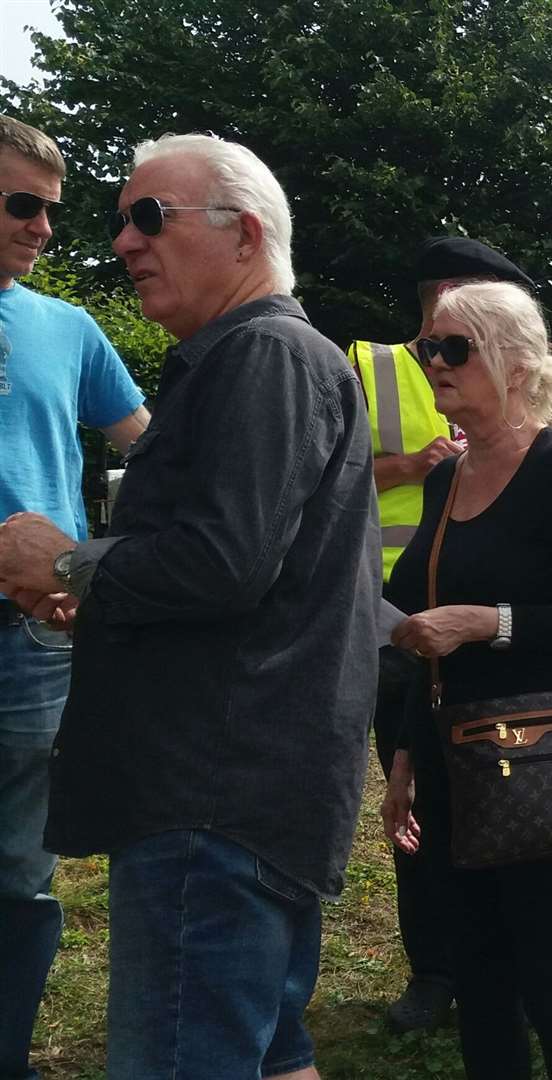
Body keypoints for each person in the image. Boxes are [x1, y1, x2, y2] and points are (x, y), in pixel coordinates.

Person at [0, 133, 378, 1079]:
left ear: (245, 234)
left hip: (211, 807)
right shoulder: (258, 356)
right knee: (272, 1054)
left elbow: (224, 563)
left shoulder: (264, 357)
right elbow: (249, 578)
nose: (123, 241)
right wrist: (107, 600)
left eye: (148, 216)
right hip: (244, 798)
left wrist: (72, 562)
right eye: (122, 219)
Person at [379, 282, 552, 1080]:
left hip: (539, 758)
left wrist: (491, 621)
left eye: (456, 348)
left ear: (517, 365)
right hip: (453, 754)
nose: (435, 363)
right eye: (429, 349)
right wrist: (409, 760)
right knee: (479, 980)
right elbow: (427, 630)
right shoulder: (448, 476)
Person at [349, 235, 538, 1033]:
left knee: (501, 804)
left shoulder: (518, 392)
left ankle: (506, 966)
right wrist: (406, 469)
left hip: (490, 637)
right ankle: (433, 971)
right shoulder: (364, 366)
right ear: (451, 297)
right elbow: (320, 476)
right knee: (416, 799)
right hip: (396, 633)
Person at [0, 114, 148, 1080]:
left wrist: (100, 566)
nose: (45, 228)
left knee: (20, 862)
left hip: (34, 635)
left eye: (51, 211)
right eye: (22, 204)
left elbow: (160, 456)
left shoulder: (70, 327)